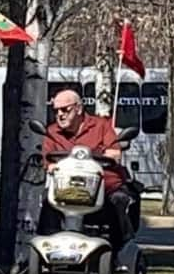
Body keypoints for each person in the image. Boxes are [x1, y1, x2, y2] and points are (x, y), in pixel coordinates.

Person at [41, 88, 136, 252]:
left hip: (104, 188)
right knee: (47, 202)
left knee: (119, 200)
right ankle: (46, 249)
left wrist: (108, 156)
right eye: (56, 111)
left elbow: (114, 152)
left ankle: (120, 251)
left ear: (78, 108)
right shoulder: (52, 132)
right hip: (67, 189)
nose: (60, 115)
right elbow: (47, 159)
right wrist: (51, 167)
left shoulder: (101, 126)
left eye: (65, 109)